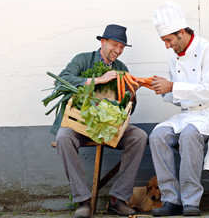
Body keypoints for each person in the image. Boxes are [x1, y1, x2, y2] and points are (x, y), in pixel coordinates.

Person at [149, 1, 209, 216]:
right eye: (164, 41)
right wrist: (163, 90)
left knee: (189, 134)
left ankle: (190, 200)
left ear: (180, 33)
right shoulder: (174, 60)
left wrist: (173, 86)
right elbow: (181, 100)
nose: (167, 46)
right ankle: (171, 199)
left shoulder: (208, 51)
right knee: (157, 135)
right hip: (188, 115)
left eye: (168, 40)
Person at [53, 24, 148, 218]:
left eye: (122, 47)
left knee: (139, 136)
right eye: (115, 45)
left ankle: (117, 200)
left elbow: (128, 108)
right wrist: (99, 79)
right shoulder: (83, 60)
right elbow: (61, 80)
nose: (118, 51)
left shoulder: (122, 69)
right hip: (81, 123)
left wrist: (131, 95)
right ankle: (83, 201)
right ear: (102, 42)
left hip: (109, 126)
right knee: (64, 136)